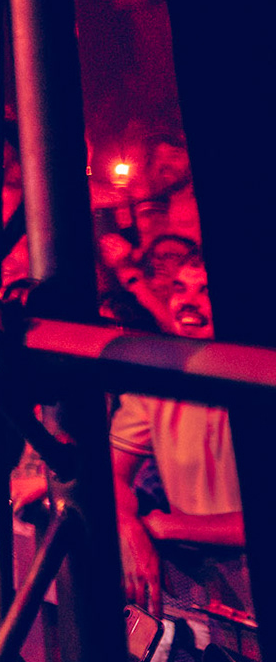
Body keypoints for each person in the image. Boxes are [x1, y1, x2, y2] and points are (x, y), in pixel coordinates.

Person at [110, 251, 247, 624]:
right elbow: (111, 474)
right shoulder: (158, 381)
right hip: (202, 586)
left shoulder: (261, 380)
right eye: (179, 288)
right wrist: (128, 526)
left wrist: (171, 525)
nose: (188, 301)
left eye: (206, 291)